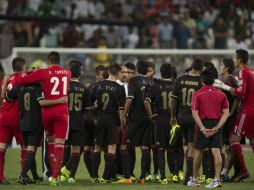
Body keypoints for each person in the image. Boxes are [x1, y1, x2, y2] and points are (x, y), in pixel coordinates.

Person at [2, 67, 68, 185]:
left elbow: (5, 97)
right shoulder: (38, 88)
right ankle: (23, 175)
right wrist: (60, 100)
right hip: (35, 123)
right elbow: (42, 102)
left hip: (22, 123)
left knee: (28, 151)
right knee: (31, 151)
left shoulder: (19, 87)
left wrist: (5, 82)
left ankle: (34, 175)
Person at [18, 51, 71, 186]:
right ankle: (55, 177)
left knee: (50, 143)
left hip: (47, 113)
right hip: (62, 112)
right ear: (59, 61)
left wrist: (30, 72)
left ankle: (50, 173)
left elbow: (22, 81)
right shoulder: (67, 72)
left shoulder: (43, 72)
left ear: (48, 62)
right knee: (60, 145)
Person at [213, 49, 253, 182]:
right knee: (252, 141)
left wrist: (224, 87)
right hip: (252, 109)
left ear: (240, 59)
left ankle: (243, 170)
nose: (234, 60)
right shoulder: (249, 71)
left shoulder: (242, 72)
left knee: (233, 140)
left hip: (247, 110)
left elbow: (240, 93)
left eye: (235, 58)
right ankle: (239, 171)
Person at [188, 70, 229, 188]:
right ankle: (217, 180)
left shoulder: (198, 93)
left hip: (203, 124)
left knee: (198, 152)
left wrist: (202, 129)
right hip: (216, 122)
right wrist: (217, 127)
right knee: (216, 151)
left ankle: (195, 180)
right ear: (214, 80)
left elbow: (194, 113)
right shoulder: (221, 94)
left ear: (202, 80)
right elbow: (225, 113)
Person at [90, 63, 126, 183]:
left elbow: (90, 103)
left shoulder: (98, 85)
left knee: (97, 147)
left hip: (100, 119)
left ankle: (94, 176)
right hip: (112, 120)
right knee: (111, 148)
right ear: (118, 73)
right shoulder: (120, 88)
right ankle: (105, 177)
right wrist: (121, 124)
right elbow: (121, 110)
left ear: (109, 72)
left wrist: (95, 116)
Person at [171, 58, 204, 185]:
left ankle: (188, 175)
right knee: (192, 147)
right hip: (194, 117)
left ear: (191, 67)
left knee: (186, 146)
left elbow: (173, 100)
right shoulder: (200, 82)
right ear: (201, 69)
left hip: (181, 117)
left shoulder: (180, 79)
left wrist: (172, 116)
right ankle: (189, 177)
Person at [121, 61, 154, 184]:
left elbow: (130, 99)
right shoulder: (151, 82)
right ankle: (142, 177)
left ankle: (127, 177)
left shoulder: (133, 80)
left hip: (135, 118)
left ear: (137, 69)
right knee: (144, 147)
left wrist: (124, 115)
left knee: (124, 145)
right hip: (147, 120)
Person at [60, 60, 91, 183]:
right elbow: (87, 109)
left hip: (64, 121)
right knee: (76, 150)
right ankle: (70, 174)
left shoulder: (64, 87)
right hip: (78, 121)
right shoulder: (84, 88)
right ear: (79, 73)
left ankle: (62, 174)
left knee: (63, 148)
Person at [144, 63, 174, 184]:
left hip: (160, 120)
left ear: (160, 73)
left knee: (160, 149)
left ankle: (162, 177)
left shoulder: (156, 86)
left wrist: (151, 115)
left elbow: (146, 101)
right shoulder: (175, 85)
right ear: (171, 74)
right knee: (174, 149)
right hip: (173, 120)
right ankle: (175, 174)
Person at [0, 57, 26, 184]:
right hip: (16, 118)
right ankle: (23, 175)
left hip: (3, 117)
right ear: (22, 67)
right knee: (25, 147)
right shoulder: (21, 79)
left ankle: (0, 177)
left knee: (1, 148)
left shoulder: (5, 80)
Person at [219, 59, 240, 182]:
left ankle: (225, 172)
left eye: (222, 65)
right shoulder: (226, 80)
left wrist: (231, 112)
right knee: (229, 147)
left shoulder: (230, 79)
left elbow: (237, 96)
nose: (220, 67)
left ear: (226, 68)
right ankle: (237, 172)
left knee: (231, 146)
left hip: (232, 118)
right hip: (228, 117)